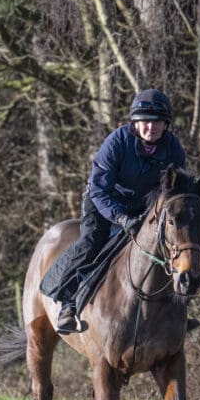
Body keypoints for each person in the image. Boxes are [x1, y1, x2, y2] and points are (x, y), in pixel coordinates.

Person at [46, 88, 186, 334]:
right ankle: (67, 302)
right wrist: (121, 217)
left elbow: (175, 190)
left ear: (165, 125)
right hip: (104, 201)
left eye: (156, 122)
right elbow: (100, 191)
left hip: (143, 207)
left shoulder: (173, 148)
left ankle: (176, 312)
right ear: (135, 123)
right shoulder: (117, 142)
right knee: (93, 241)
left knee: (175, 244)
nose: (151, 127)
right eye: (145, 122)